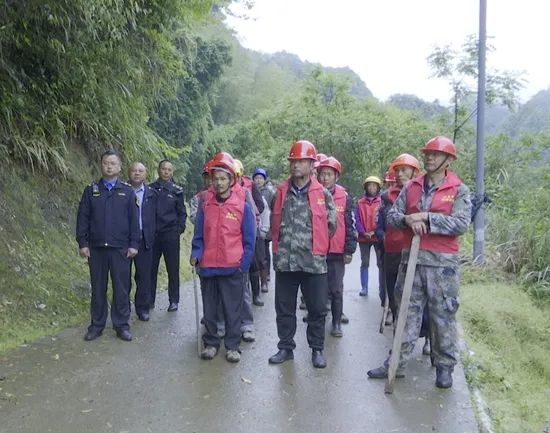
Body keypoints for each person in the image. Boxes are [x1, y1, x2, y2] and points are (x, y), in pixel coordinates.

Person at [367, 136, 472, 389]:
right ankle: (396, 364)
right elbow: (392, 215)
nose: (429, 158)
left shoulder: (458, 189)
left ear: (448, 160)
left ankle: (444, 366)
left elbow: (461, 223)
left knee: (442, 316)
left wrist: (426, 217)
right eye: (427, 153)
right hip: (410, 262)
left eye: (435, 154)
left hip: (442, 266)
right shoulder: (411, 186)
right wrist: (407, 220)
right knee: (406, 313)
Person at [268, 140, 337, 369]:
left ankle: (317, 349)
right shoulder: (280, 191)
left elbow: (331, 225)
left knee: (317, 308)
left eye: (301, 161)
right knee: (284, 308)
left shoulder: (323, 194)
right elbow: (274, 221)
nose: (296, 165)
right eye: (293, 161)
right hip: (286, 261)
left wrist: (314, 244)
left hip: (314, 263)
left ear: (311, 165)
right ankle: (285, 348)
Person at [190, 152, 256, 363]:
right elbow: (198, 235)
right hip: (208, 267)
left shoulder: (242, 206)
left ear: (231, 180)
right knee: (210, 309)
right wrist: (196, 254)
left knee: (232, 309)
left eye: (223, 178)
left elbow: (249, 240)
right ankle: (211, 343)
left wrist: (243, 264)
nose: (218, 183)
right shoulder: (205, 205)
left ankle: (233, 346)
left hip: (232, 267)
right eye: (215, 178)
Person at [76, 149, 140, 342]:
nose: (109, 166)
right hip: (96, 249)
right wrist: (83, 243)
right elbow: (83, 219)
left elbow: (133, 221)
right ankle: (96, 325)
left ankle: (121, 325)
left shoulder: (128, 192)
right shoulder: (91, 191)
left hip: (120, 249)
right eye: (105, 163)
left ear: (120, 167)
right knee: (98, 288)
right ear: (101, 165)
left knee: (121, 288)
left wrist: (133, 244)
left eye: (113, 163)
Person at [317, 156, 357, 337]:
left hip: (337, 251)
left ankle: (336, 322)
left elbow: (350, 224)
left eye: (329, 174)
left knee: (336, 289)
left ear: (336, 177)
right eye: (322, 174)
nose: (325, 178)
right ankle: (316, 319)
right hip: (317, 251)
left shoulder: (345, 198)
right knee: (317, 288)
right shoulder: (313, 194)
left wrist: (349, 249)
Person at [150, 160, 187, 312]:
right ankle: (149, 300)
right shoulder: (150, 189)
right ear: (158, 170)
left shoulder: (176, 191)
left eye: (169, 170)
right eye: (163, 169)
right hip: (153, 235)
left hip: (170, 235)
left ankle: (174, 300)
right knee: (150, 269)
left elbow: (182, 213)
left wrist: (178, 229)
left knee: (173, 269)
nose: (165, 172)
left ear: (172, 172)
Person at [127, 162, 158, 322]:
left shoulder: (152, 194)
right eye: (134, 170)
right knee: (124, 277)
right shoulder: (123, 191)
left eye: (140, 171)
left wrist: (153, 234)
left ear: (146, 174)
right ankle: (123, 309)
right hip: (125, 240)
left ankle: (142, 308)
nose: (137, 173)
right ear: (128, 172)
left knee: (144, 276)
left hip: (145, 239)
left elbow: (157, 216)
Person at [355, 176, 383, 298]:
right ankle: (364, 287)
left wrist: (375, 231)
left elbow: (382, 219)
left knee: (380, 263)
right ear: (366, 187)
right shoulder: (360, 202)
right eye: (369, 185)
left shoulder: (382, 201)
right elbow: (356, 219)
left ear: (378, 188)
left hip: (377, 237)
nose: (372, 188)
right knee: (364, 262)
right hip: (363, 238)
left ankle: (382, 288)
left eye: (374, 186)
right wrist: (363, 232)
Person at [253, 167, 275, 293]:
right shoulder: (251, 190)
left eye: (261, 178)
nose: (258, 180)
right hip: (256, 225)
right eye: (256, 178)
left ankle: (266, 275)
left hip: (266, 225)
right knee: (259, 253)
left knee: (265, 251)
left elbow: (273, 207)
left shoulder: (269, 192)